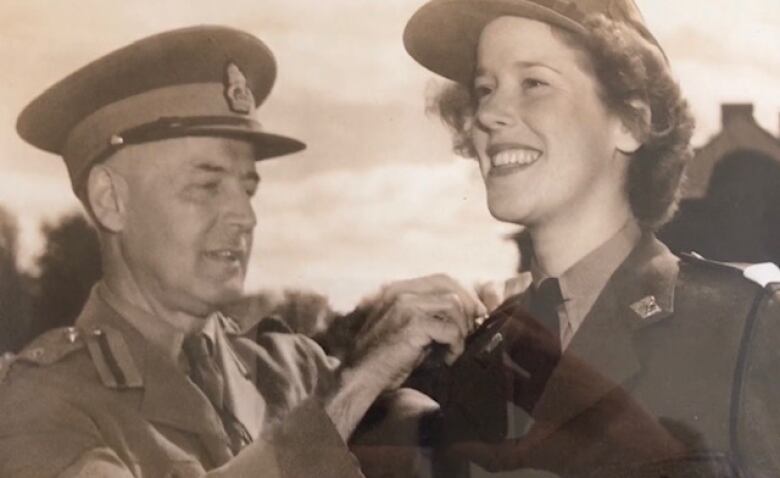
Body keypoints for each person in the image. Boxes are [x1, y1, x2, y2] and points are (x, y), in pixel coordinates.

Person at [0, 25, 485, 477]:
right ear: (111, 200)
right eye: (206, 185)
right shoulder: (40, 403)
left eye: (247, 189)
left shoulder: (293, 371)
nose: (245, 216)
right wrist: (356, 386)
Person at [396, 0, 780, 476]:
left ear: (630, 122)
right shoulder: (477, 359)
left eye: (533, 83)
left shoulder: (748, 328)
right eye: (484, 89)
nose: (489, 114)